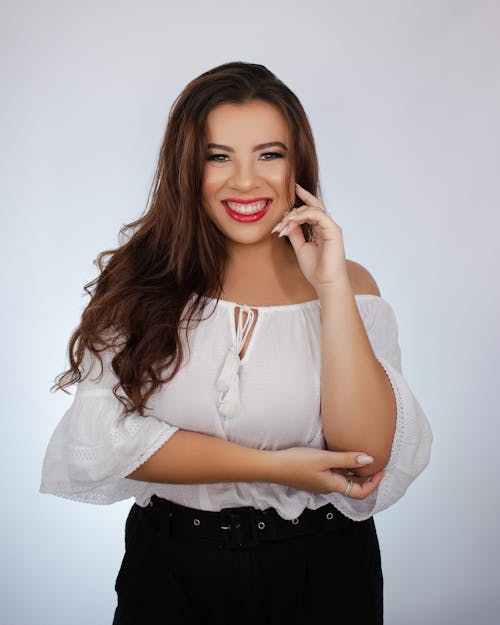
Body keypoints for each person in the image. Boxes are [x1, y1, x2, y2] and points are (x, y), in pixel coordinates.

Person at [40, 61, 432, 624]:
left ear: (298, 164)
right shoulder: (139, 282)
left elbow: (365, 453)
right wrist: (278, 467)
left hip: (323, 570)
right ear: (186, 167)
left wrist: (330, 286)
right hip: (172, 566)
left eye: (269, 155)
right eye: (217, 156)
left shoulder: (351, 286)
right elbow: (103, 438)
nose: (245, 181)